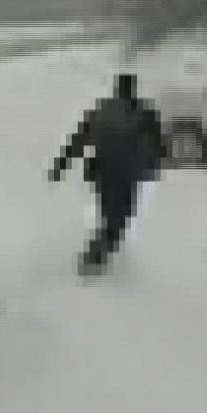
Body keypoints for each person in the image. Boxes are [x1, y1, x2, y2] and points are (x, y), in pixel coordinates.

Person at [48, 73, 166, 275]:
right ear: (133, 90)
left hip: (103, 173)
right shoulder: (145, 113)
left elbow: (78, 140)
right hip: (127, 175)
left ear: (116, 89)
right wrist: (154, 166)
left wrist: (61, 165)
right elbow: (158, 145)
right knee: (118, 220)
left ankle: (96, 257)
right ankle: (94, 259)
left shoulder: (100, 111)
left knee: (109, 217)